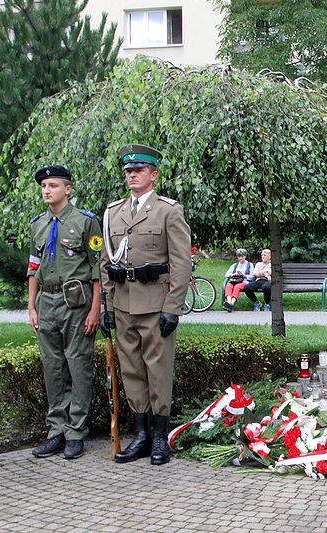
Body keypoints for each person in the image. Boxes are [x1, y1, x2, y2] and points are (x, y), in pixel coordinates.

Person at [99, 144, 191, 465]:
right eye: (128, 171)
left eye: (138, 170)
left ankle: (159, 438)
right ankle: (140, 435)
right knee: (131, 370)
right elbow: (106, 262)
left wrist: (173, 306)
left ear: (153, 175)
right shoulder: (113, 212)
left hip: (155, 304)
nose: (132, 175)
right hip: (123, 304)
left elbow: (181, 264)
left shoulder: (168, 211)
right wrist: (106, 308)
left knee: (158, 370)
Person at [27, 165, 102, 460]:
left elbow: (97, 269)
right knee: (53, 368)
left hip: (77, 303)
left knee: (78, 365)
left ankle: (75, 432)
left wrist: (95, 308)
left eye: (54, 185)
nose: (47, 191)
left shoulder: (85, 222)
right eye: (44, 186)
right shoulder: (38, 224)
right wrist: (31, 306)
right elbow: (33, 267)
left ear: (68, 189)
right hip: (47, 302)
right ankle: (56, 430)